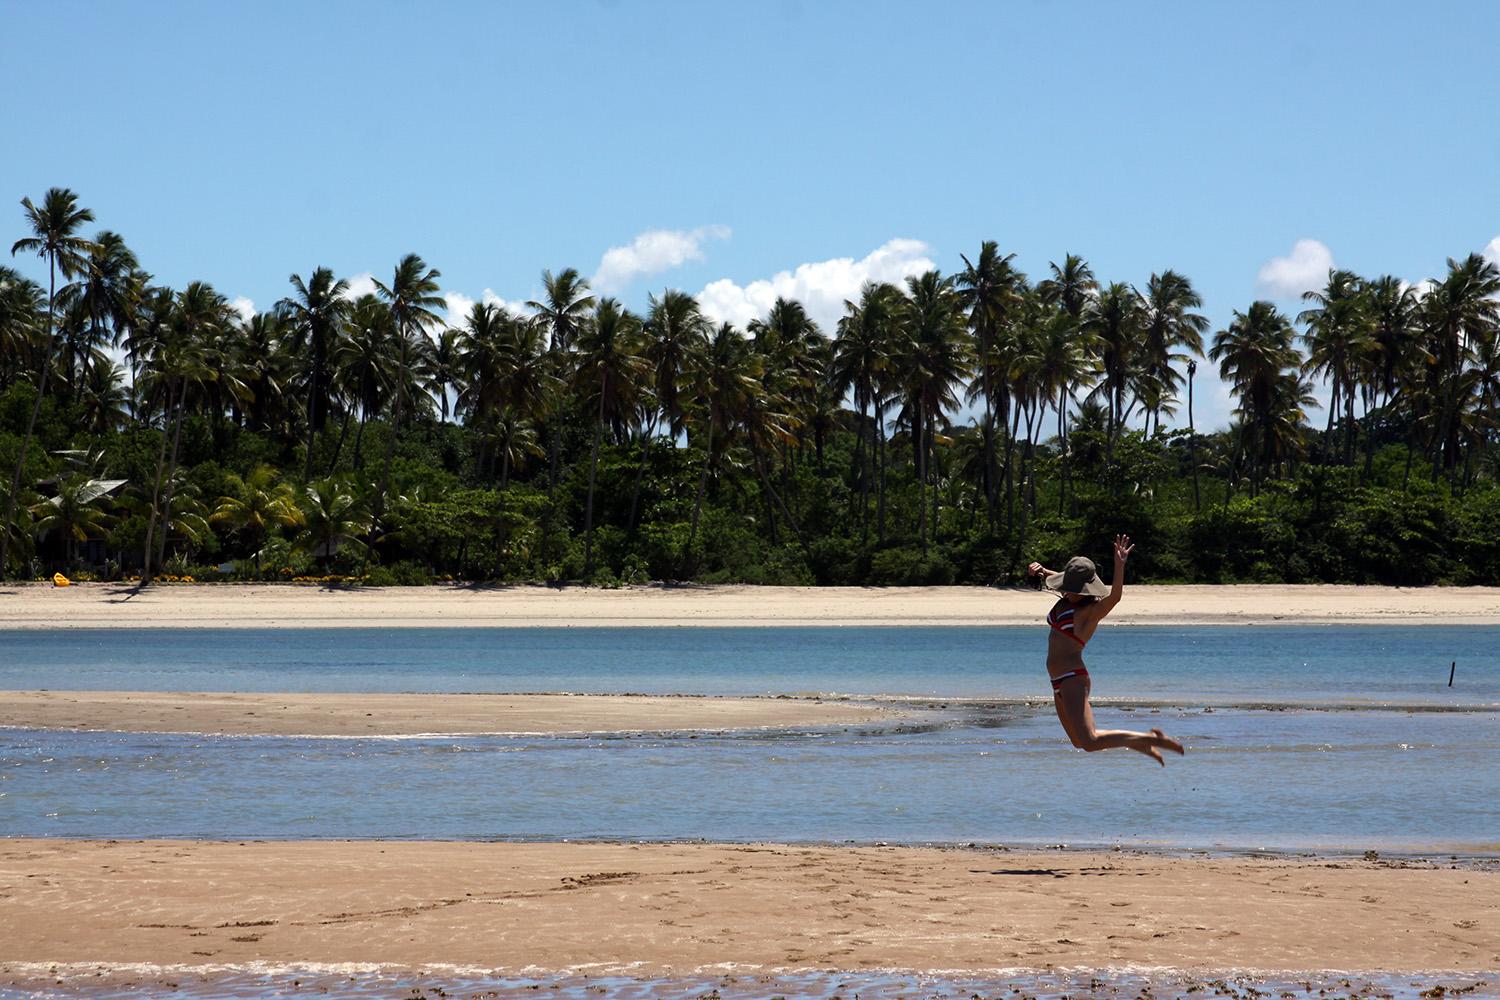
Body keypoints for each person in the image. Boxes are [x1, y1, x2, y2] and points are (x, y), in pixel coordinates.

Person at [1027, 534, 1185, 766]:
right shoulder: (1068, 597)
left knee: (1090, 741)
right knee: (1079, 742)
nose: (1066, 591)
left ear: (1085, 589)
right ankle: (1138, 742)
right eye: (1067, 586)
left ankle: (1148, 739)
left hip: (1072, 678)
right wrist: (1040, 570)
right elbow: (1059, 579)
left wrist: (1119, 566)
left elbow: (1115, 597)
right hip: (1057, 680)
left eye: (1072, 588)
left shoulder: (1089, 612)